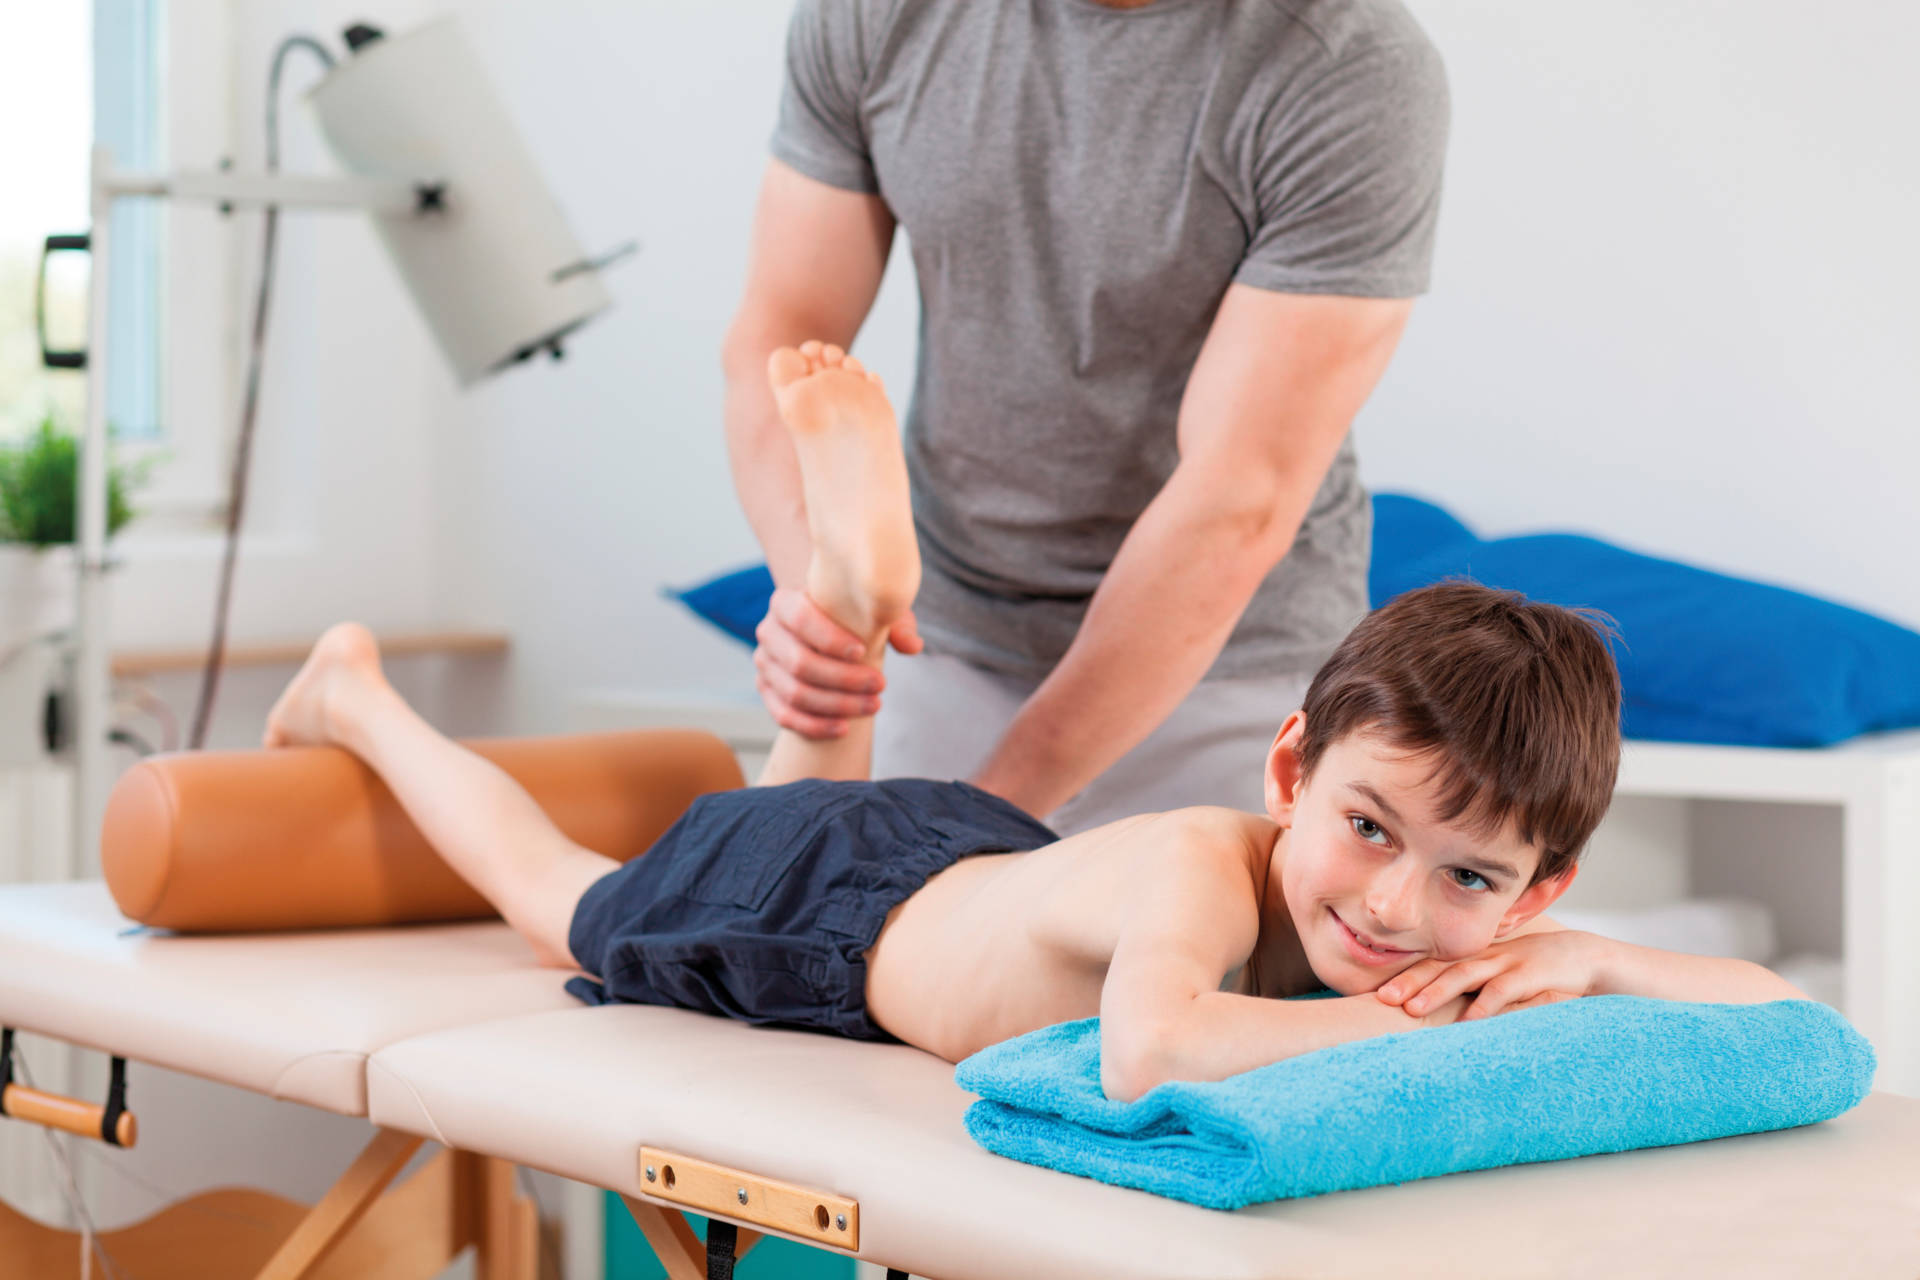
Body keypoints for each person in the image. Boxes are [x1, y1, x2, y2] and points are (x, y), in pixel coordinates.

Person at [268, 347, 1803, 1101]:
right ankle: (362, 695)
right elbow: (1151, 1050)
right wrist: (1406, 1020)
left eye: (1471, 880)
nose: (1397, 906)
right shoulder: (1208, 868)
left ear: (1540, 889)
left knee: (801, 793)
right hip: (833, 922)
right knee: (563, 901)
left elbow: (1773, 1011)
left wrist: (1601, 966)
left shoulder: (1491, 925)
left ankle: (857, 600)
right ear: (1291, 772)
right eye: (1367, 831)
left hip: (968, 851)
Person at [722, 0, 1452, 833]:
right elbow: (779, 341)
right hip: (946, 630)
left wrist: (974, 827)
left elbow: (1237, 496)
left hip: (1220, 664)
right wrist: (818, 602)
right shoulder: (876, 15)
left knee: (1126, 951)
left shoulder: (1347, 64)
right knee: (788, 935)